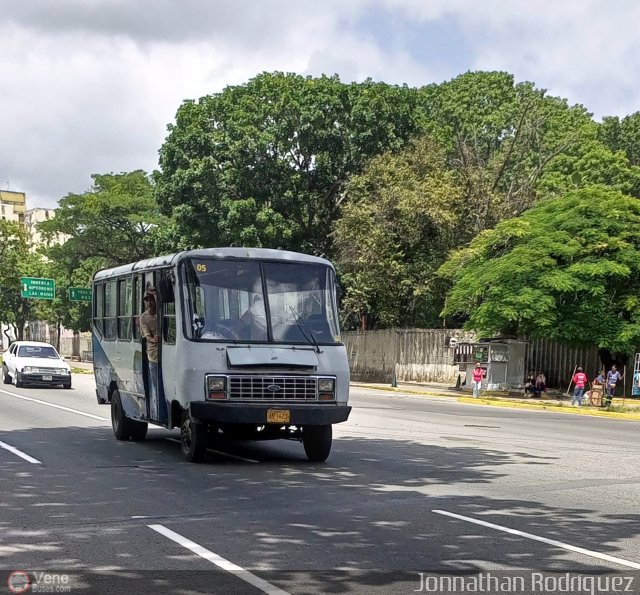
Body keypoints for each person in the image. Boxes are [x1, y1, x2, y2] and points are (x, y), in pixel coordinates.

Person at [139, 290, 159, 420]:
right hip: (154, 355)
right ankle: (156, 410)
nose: (149, 302)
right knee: (156, 384)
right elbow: (148, 338)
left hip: (169, 353)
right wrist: (154, 339)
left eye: (152, 299)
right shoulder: (144, 318)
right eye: (147, 300)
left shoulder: (163, 312)